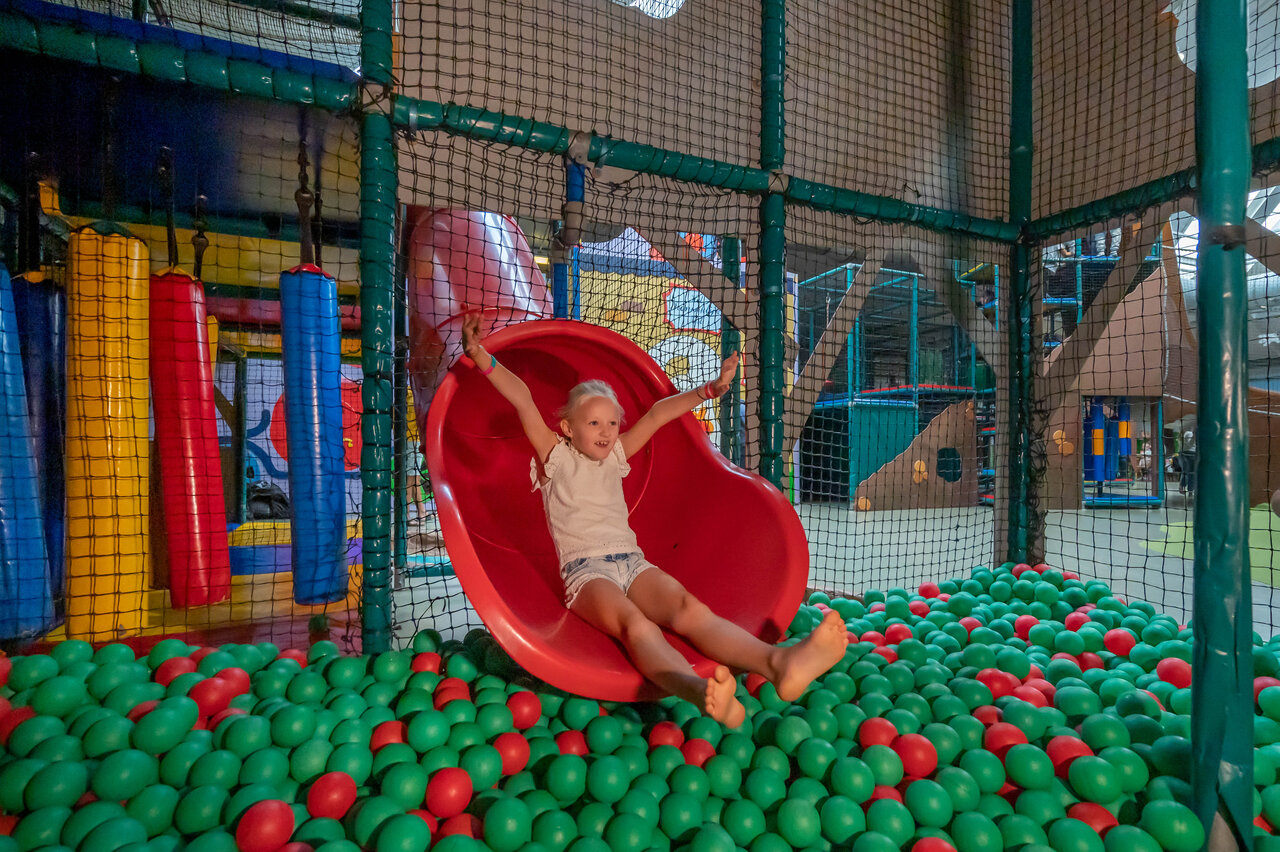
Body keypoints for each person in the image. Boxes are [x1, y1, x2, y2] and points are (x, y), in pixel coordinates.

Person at [461, 313, 848, 726]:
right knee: (636, 625)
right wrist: (480, 355)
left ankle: (778, 664)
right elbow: (522, 397)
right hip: (586, 574)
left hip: (633, 562)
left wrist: (708, 390)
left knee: (689, 609)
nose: (606, 431)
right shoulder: (555, 456)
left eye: (612, 422)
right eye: (593, 422)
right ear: (567, 428)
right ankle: (697, 690)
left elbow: (658, 415)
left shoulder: (617, 456)